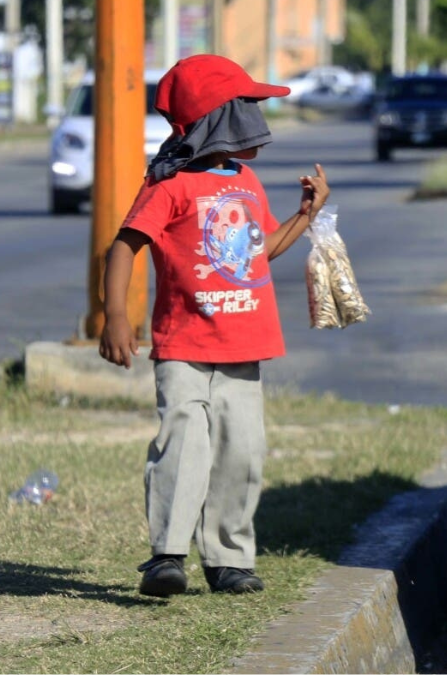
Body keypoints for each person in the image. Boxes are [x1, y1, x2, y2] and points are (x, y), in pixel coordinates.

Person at [98, 54, 330, 597]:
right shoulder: (170, 184)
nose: (257, 117)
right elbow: (124, 246)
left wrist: (305, 214)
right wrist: (115, 316)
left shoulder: (246, 181)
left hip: (244, 345)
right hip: (184, 343)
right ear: (218, 117)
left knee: (242, 450)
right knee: (184, 443)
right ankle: (168, 556)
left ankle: (228, 560)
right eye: (246, 106)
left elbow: (259, 252)